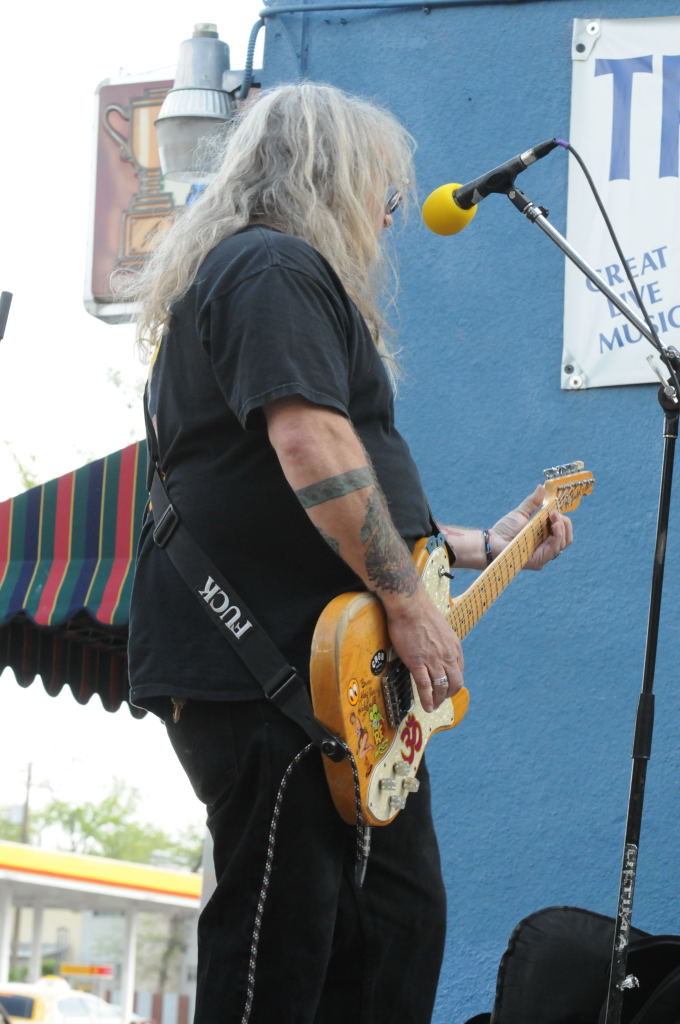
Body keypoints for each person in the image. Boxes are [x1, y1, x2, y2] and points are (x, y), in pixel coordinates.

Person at [126, 82, 572, 1024]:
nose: (392, 212)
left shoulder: (270, 276)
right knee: (281, 947)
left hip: (331, 674)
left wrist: (480, 546)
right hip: (273, 665)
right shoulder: (271, 266)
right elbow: (310, 447)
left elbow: (309, 487)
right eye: (384, 187)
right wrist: (409, 605)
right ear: (328, 176)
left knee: (390, 933)